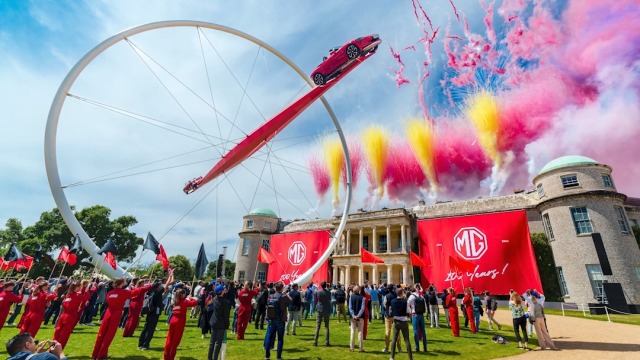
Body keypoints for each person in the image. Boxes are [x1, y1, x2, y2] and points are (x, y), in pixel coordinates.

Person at [91, 277, 153, 360]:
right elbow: (137, 291)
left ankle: (95, 354)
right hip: (116, 313)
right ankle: (101, 355)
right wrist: (149, 286)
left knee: (101, 333)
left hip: (108, 313)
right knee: (109, 335)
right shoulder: (123, 292)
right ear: (121, 283)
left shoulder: (110, 293)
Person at [163, 288, 198, 360]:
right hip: (179, 322)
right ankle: (171, 357)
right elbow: (194, 303)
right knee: (175, 341)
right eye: (184, 294)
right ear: (182, 295)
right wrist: (191, 298)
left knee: (169, 339)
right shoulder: (184, 301)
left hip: (173, 320)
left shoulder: (174, 301)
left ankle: (166, 356)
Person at [264, 282, 291, 360]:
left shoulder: (271, 296)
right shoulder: (283, 296)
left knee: (269, 337)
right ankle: (278, 356)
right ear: (281, 288)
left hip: (271, 318)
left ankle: (267, 356)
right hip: (280, 319)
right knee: (280, 339)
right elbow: (291, 300)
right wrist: (286, 293)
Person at [53, 281, 84, 349]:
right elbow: (83, 299)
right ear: (78, 287)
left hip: (63, 315)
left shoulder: (68, 294)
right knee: (64, 335)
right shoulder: (78, 295)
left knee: (57, 333)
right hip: (70, 316)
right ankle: (58, 350)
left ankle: (52, 348)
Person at [138, 281, 165, 350]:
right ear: (158, 287)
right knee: (151, 329)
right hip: (154, 312)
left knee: (146, 327)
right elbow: (167, 284)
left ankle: (140, 343)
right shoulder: (157, 293)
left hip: (149, 311)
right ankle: (145, 345)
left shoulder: (150, 292)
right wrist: (171, 275)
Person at [208, 284, 231, 360]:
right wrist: (227, 325)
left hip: (214, 322)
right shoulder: (225, 302)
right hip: (221, 324)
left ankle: (209, 358)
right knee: (218, 343)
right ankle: (215, 358)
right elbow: (226, 315)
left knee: (212, 342)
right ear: (221, 292)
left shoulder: (215, 299)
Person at [390, 287, 413, 360]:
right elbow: (408, 311)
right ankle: (410, 358)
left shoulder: (392, 301)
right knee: (406, 339)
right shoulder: (405, 301)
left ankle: (392, 357)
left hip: (396, 321)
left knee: (394, 339)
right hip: (403, 321)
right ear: (402, 293)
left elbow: (391, 310)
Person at [382, 284, 402, 353]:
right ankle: (399, 348)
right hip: (395, 314)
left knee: (388, 331)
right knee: (397, 331)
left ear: (388, 289)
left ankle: (386, 348)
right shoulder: (396, 295)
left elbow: (384, 305)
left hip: (388, 314)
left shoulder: (386, 296)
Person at [407, 286, 427, 352]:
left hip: (415, 314)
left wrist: (410, 311)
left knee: (415, 331)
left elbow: (407, 304)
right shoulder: (421, 296)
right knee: (423, 331)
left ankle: (417, 347)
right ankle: (425, 347)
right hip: (421, 314)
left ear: (410, 291)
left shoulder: (411, 296)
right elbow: (425, 305)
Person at [348, 285, 365, 352]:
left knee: (352, 332)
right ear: (359, 290)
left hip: (353, 317)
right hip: (360, 317)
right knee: (360, 332)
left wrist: (353, 315)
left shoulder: (351, 297)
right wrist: (358, 315)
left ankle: (352, 347)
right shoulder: (362, 298)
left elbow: (350, 307)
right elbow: (362, 308)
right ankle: (360, 348)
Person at [313, 281, 331, 346]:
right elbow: (329, 299)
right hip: (326, 309)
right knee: (326, 326)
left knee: (318, 326)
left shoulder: (319, 292)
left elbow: (317, 299)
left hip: (319, 309)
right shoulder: (328, 292)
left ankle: (315, 341)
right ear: (326, 285)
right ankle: (327, 342)